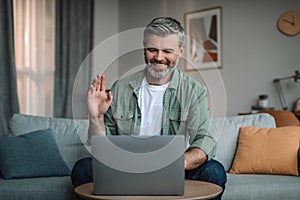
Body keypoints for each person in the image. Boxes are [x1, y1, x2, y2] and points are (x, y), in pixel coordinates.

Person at [71, 17, 226, 199]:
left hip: (174, 168)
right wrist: (96, 116)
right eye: (152, 49)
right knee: (82, 169)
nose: (159, 57)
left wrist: (178, 162)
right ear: (144, 48)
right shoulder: (120, 88)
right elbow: (103, 149)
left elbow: (205, 138)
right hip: (125, 168)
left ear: (181, 51)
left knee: (214, 172)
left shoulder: (193, 91)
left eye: (167, 51)